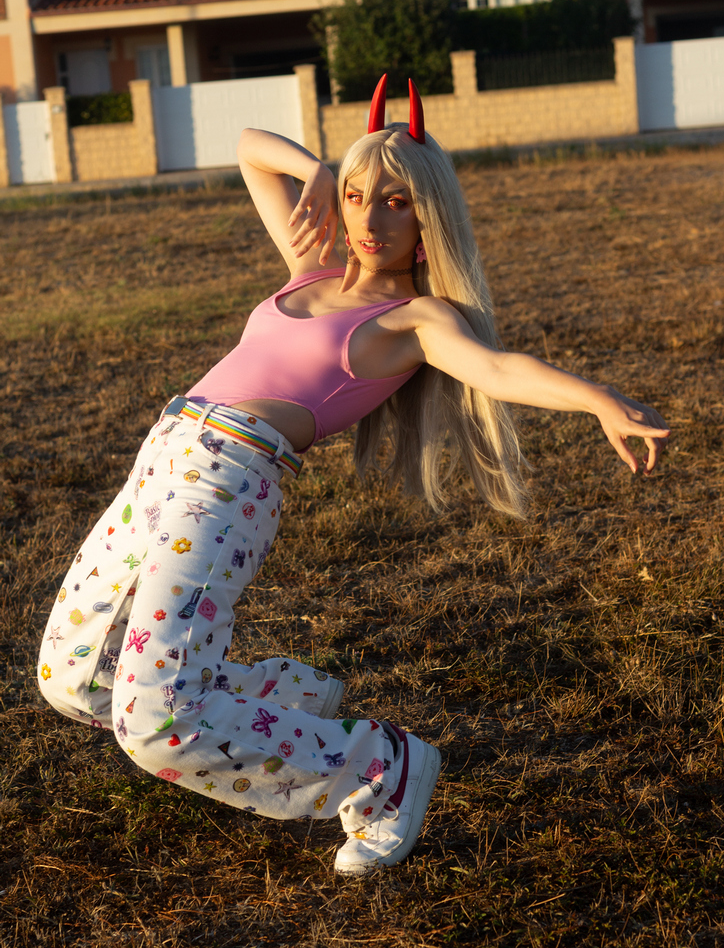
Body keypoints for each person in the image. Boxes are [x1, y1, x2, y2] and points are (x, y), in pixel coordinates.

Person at [37, 77, 668, 876]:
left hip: (228, 483)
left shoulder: (414, 322)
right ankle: (281, 699)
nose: (370, 218)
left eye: (396, 202)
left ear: (427, 218)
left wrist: (596, 400)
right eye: (362, 195)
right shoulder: (313, 264)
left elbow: (500, 368)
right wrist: (321, 172)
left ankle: (380, 769)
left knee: (155, 718)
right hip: (162, 456)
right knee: (71, 675)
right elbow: (248, 151)